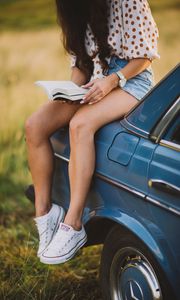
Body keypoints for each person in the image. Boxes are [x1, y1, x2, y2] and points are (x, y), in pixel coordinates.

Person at [25, 0, 159, 265]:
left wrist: (112, 81)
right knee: (35, 125)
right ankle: (45, 214)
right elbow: (80, 67)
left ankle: (73, 223)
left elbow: (145, 57)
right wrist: (65, 93)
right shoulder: (74, 8)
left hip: (131, 83)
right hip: (93, 82)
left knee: (80, 125)